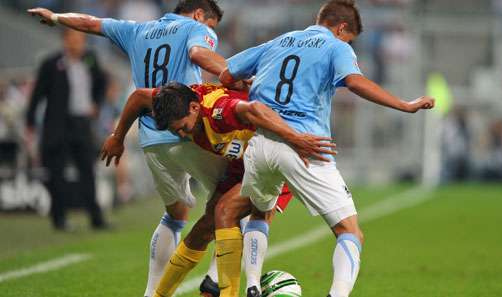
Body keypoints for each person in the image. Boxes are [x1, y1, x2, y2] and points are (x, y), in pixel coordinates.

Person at [219, 1, 435, 296]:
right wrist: (403, 104)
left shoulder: (278, 41)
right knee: (349, 231)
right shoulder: (335, 46)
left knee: (260, 213)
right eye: (350, 40)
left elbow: (227, 75)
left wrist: (256, 81)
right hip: (305, 147)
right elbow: (355, 82)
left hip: (260, 145)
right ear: (341, 28)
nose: (349, 46)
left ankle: (254, 286)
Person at [28, 1, 231, 296]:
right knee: (236, 195)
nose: (210, 32)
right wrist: (233, 74)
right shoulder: (196, 28)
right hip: (189, 131)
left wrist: (57, 17)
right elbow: (198, 54)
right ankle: (214, 278)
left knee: (174, 217)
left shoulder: (136, 30)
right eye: (211, 26)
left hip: (153, 138)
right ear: (201, 15)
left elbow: (91, 23)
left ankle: (152, 293)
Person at [109, 82, 333, 297]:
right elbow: (140, 96)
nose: (182, 135)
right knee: (205, 226)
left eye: (183, 128)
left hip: (273, 157)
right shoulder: (175, 99)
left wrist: (296, 139)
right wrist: (117, 137)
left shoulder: (218, 111)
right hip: (242, 162)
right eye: (175, 131)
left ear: (194, 108)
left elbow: (255, 109)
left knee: (224, 212)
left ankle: (229, 292)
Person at [25, 28, 108, 231]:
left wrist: (96, 104)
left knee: (87, 171)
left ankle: (96, 218)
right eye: (72, 39)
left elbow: (102, 81)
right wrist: (30, 123)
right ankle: (59, 219)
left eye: (79, 39)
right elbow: (37, 95)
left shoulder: (90, 60)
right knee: (56, 173)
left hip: (81, 123)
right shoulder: (52, 64)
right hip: (58, 125)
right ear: (64, 41)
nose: (76, 43)